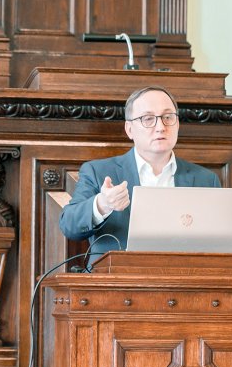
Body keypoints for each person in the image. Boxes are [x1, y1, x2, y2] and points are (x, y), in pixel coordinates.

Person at [59, 86, 220, 257]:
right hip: (116, 280)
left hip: (185, 278)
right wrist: (103, 204)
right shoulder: (98, 171)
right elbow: (69, 226)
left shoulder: (206, 180)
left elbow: (220, 245)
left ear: (178, 124)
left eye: (168, 117)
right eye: (148, 119)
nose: (160, 127)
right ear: (129, 130)